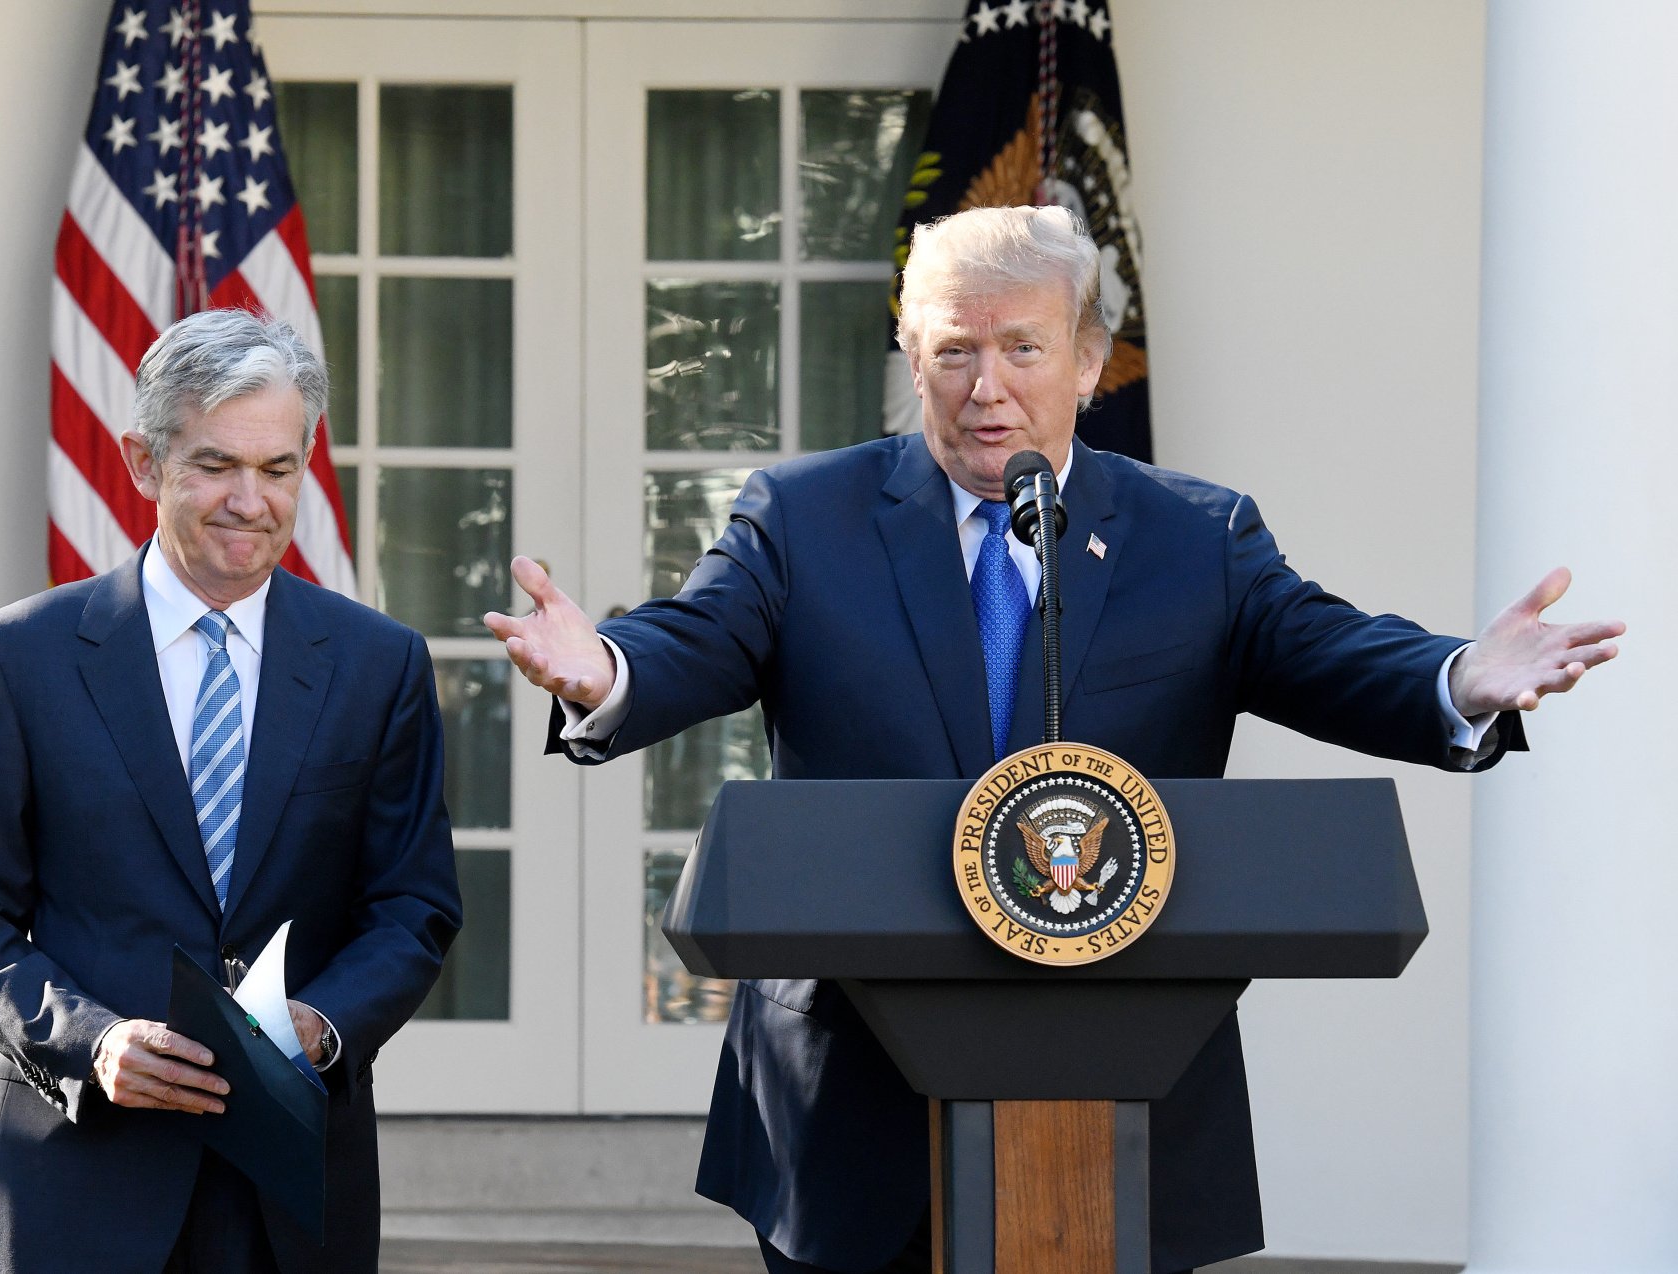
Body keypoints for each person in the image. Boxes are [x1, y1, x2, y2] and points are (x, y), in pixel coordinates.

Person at [484, 205, 1622, 1274]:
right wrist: (609, 670)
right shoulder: (804, 517)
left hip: (1123, 1086)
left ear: (1087, 359)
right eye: (950, 351)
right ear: (910, 357)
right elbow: (698, 638)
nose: (987, 388)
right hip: (852, 1104)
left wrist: (1459, 675)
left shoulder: (1195, 534)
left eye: (1021, 349)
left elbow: (1323, 649)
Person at [0, 308, 461, 1274]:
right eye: (215, 464)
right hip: (77, 1186)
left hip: (291, 1199)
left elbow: (412, 907)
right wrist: (94, 1040)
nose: (250, 500)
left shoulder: (381, 665)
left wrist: (321, 1024)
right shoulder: (15, 658)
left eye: (278, 468)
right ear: (143, 462)